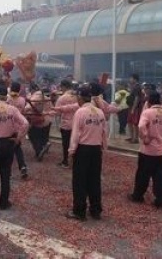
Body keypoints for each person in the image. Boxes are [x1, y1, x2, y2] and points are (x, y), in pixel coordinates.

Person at [128, 91, 162, 209]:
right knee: (160, 176)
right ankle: (160, 200)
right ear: (160, 101)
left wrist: (145, 138)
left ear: (149, 102)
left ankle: (138, 195)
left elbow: (141, 126)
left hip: (148, 150)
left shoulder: (147, 113)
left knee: (142, 174)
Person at [66, 86, 108, 221]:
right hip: (96, 150)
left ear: (80, 98)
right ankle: (96, 210)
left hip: (83, 149)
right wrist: (104, 148)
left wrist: (71, 152)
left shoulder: (80, 112)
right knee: (94, 181)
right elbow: (104, 132)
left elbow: (75, 134)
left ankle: (79, 211)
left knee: (79, 181)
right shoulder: (100, 112)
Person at [53, 79, 78, 168]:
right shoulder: (77, 96)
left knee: (66, 144)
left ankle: (65, 161)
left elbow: (57, 111)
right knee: (75, 143)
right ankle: (75, 161)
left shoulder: (62, 98)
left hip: (66, 124)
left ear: (63, 86)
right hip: (77, 124)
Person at [7, 81, 29, 179]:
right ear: (19, 89)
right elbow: (23, 111)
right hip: (18, 127)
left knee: (9, 149)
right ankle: (22, 166)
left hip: (8, 127)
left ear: (11, 88)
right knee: (17, 148)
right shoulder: (22, 100)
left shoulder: (8, 99)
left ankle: (8, 171)